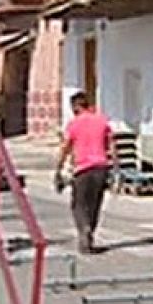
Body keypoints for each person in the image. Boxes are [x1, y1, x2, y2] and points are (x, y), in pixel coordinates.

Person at [57, 91, 113, 254]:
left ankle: (84, 228)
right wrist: (115, 167)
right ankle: (90, 230)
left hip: (82, 169)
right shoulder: (101, 120)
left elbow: (66, 147)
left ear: (76, 106)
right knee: (95, 203)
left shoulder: (74, 124)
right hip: (101, 168)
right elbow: (111, 144)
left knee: (79, 204)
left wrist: (59, 167)